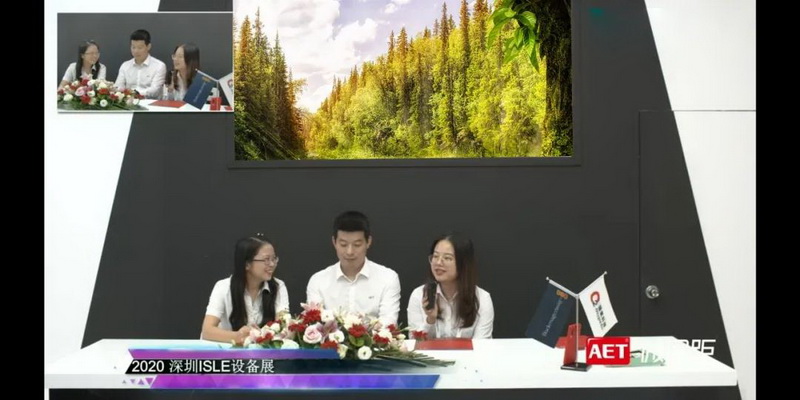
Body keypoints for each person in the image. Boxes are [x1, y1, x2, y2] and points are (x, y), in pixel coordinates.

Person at [306, 211, 401, 326]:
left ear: (368, 242)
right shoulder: (318, 281)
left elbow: (388, 322)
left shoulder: (388, 278)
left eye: (357, 245)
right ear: (334, 242)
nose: (349, 252)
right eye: (343, 244)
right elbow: (316, 324)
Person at [202, 236, 289, 343]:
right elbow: (207, 331)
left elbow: (283, 325)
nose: (272, 264)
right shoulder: (223, 287)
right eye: (266, 259)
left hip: (263, 351)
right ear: (247, 264)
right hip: (227, 351)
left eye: (274, 259)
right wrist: (237, 336)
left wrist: (262, 335)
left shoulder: (278, 286)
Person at [407, 232, 494, 338]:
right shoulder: (418, 295)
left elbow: (482, 344)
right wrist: (430, 320)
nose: (438, 262)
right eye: (435, 256)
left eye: (447, 258)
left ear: (463, 263)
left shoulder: (482, 299)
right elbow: (415, 342)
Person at [114, 29, 167, 99]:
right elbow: (118, 86)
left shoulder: (159, 66)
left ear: (148, 46)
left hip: (150, 103)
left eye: (140, 48)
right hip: (128, 102)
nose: (136, 51)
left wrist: (133, 93)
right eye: (133, 47)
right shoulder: (125, 66)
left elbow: (154, 91)